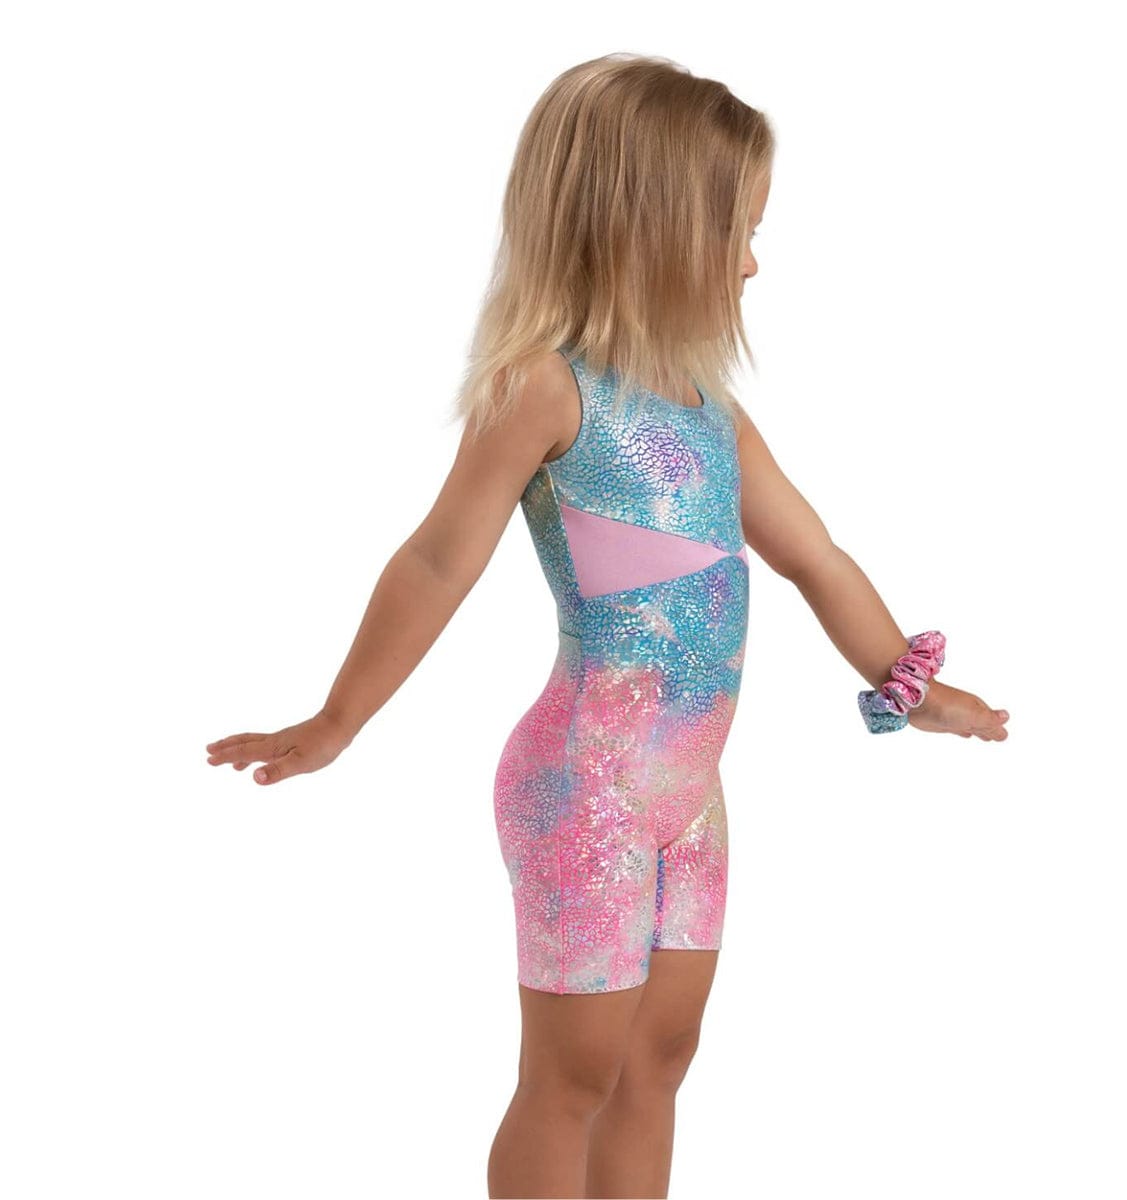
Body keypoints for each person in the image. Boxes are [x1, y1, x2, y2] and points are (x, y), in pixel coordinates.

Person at [205, 52, 1010, 1200]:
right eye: (735, 232)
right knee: (572, 1073)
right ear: (649, 227)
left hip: (690, 795)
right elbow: (438, 559)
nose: (751, 261)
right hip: (584, 791)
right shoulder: (547, 388)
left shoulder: (715, 414)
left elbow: (815, 556)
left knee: (658, 1064)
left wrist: (907, 685)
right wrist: (339, 719)